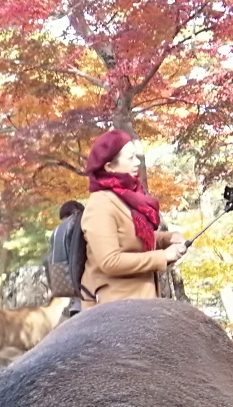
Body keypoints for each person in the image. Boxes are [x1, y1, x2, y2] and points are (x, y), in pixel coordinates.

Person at [79, 129, 188, 304]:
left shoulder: (126, 196)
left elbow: (132, 238)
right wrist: (163, 256)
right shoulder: (100, 205)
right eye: (130, 158)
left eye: (136, 156)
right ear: (109, 167)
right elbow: (110, 261)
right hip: (113, 310)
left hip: (141, 304)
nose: (137, 162)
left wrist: (166, 239)